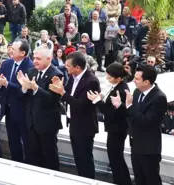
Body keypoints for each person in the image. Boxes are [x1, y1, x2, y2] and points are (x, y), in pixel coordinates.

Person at [111, 64, 167, 185]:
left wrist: (129, 105)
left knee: (151, 179)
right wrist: (121, 106)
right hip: (135, 144)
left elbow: (146, 122)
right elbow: (132, 115)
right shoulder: (137, 92)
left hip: (149, 148)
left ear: (146, 81)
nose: (134, 81)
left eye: (137, 79)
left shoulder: (159, 98)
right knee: (138, 178)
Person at [49, 51, 100, 179]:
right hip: (74, 123)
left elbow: (81, 104)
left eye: (68, 66)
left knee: (85, 158)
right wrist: (60, 88)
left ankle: (88, 180)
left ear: (77, 67)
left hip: (85, 126)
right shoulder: (72, 76)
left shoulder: (91, 81)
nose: (66, 68)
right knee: (77, 157)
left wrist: (62, 93)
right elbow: (68, 93)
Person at [17, 46, 63, 171]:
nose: (35, 61)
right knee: (33, 156)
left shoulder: (56, 74)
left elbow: (52, 99)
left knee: (49, 156)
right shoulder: (31, 72)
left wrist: (36, 88)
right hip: (31, 122)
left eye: (38, 59)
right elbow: (22, 95)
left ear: (48, 58)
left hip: (47, 124)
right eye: (34, 58)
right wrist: (24, 87)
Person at [87, 63, 132, 185]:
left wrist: (97, 101)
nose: (107, 78)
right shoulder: (117, 86)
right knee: (115, 156)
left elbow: (110, 112)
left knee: (115, 157)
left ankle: (121, 181)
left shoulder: (121, 90)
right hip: (116, 128)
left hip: (118, 128)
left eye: (110, 76)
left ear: (118, 78)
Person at [0, 39, 34, 163]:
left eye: (14, 49)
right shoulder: (7, 64)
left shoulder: (30, 67)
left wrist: (7, 84)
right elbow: (2, 83)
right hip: (8, 109)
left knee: (26, 142)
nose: (10, 51)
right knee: (13, 140)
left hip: (23, 110)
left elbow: (25, 90)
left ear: (23, 53)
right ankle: (16, 162)